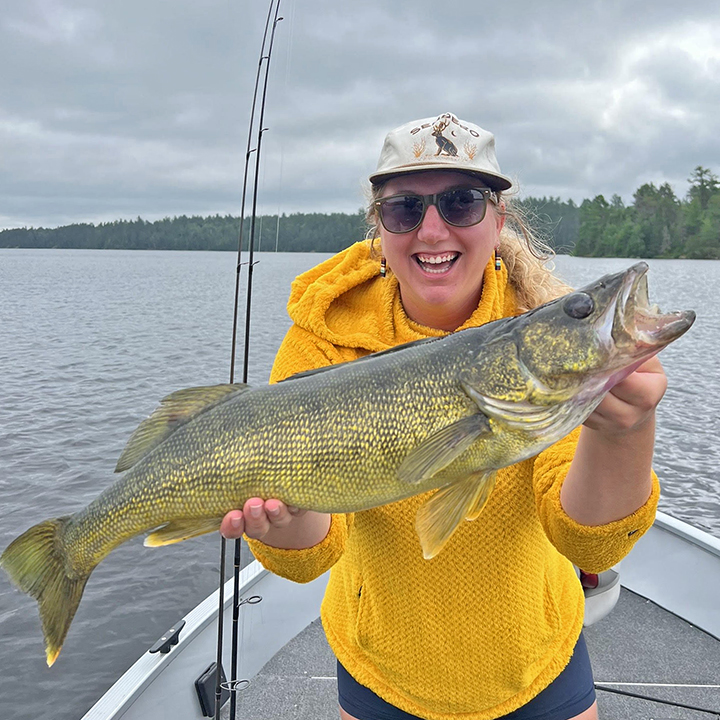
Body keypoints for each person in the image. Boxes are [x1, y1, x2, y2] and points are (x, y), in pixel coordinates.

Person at [219, 112, 666, 720]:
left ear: (498, 220)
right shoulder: (326, 336)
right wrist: (280, 524)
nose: (432, 229)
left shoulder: (535, 320)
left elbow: (587, 535)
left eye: (462, 202)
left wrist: (627, 434)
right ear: (379, 224)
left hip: (535, 664)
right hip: (383, 667)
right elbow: (314, 554)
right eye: (405, 208)